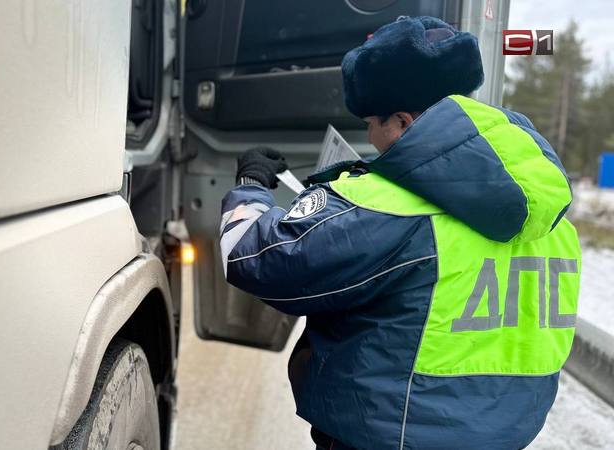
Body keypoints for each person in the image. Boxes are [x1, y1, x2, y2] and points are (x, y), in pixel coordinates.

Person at [219, 16, 581, 450]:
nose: (370, 137)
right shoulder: (553, 218)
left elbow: (252, 257)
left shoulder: (390, 207)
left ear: (405, 122)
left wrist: (252, 186)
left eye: (373, 122)